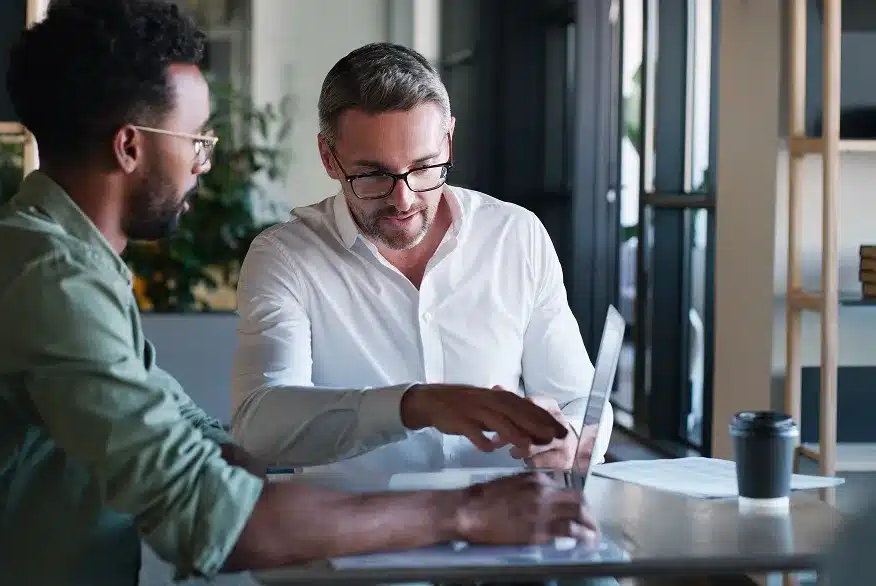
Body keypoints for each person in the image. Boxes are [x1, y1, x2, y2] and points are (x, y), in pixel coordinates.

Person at [0, 2, 599, 585]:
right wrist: (465, 510)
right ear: (131, 146)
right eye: (199, 139)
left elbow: (198, 439)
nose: (205, 164)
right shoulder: (44, 277)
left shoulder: (66, 258)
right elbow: (212, 521)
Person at [231, 42, 611, 476]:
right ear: (328, 158)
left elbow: (580, 401)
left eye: (424, 167)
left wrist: (572, 438)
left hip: (504, 528)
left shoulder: (516, 235)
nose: (404, 199)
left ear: (448, 140)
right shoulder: (285, 258)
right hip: (357, 534)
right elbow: (259, 425)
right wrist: (412, 404)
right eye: (373, 174)